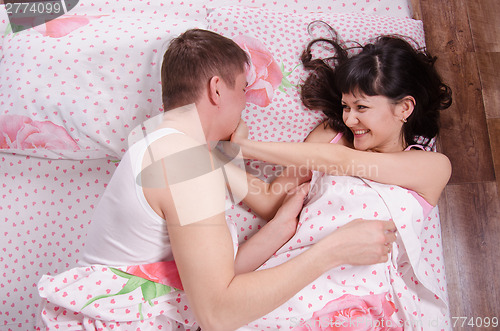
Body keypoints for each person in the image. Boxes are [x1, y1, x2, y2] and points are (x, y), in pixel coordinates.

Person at [37, 29, 396, 331]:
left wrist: (278, 229)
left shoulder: (164, 146)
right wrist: (332, 251)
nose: (245, 105)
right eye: (242, 91)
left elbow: (204, 281)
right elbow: (216, 313)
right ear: (216, 89)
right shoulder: (183, 163)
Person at [229, 27, 453, 328]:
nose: (349, 119)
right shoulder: (330, 136)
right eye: (346, 107)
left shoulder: (432, 167)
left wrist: (243, 147)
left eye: (362, 108)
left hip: (369, 297)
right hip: (300, 280)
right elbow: (271, 200)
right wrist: (218, 159)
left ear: (404, 108)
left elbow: (345, 162)